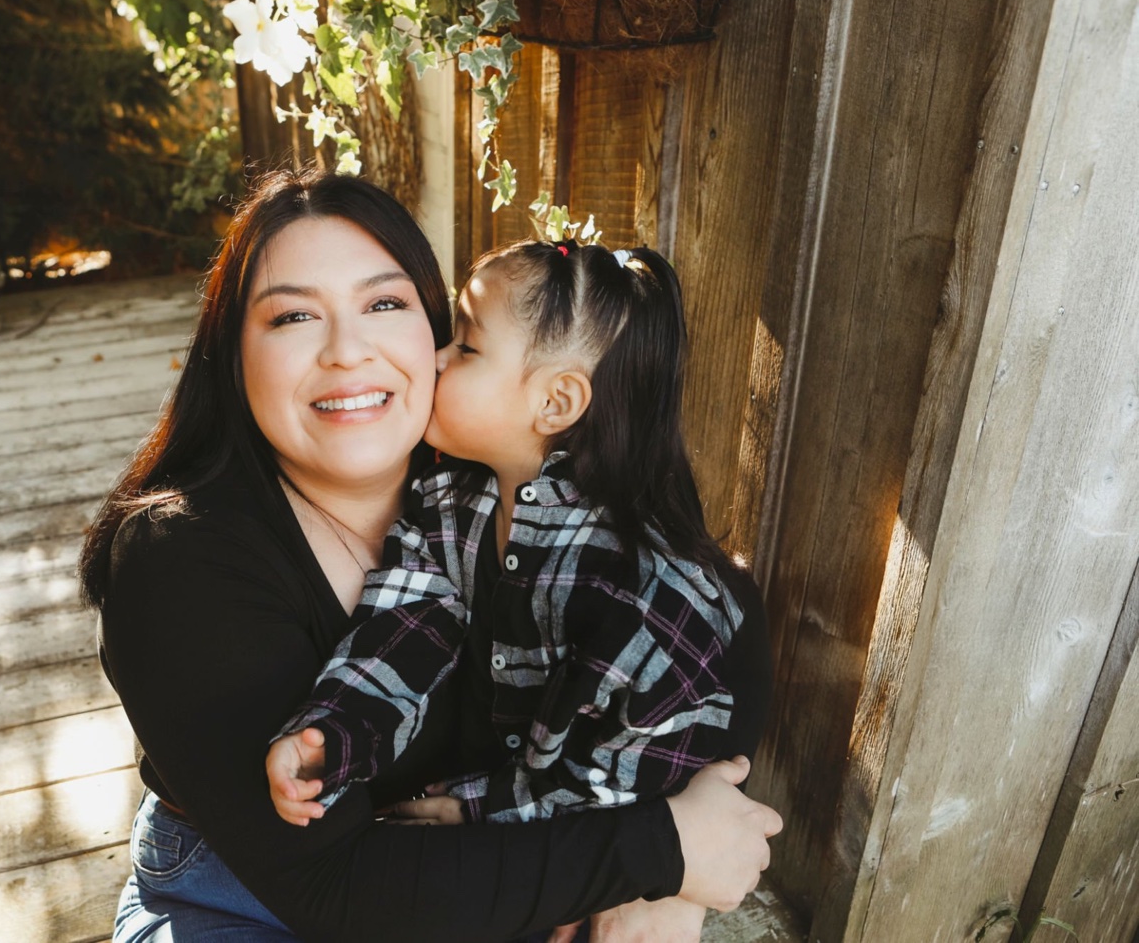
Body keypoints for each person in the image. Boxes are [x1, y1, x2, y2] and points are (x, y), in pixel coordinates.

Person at [81, 167, 782, 943]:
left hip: (487, 867)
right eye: (292, 317)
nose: (348, 352)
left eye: (384, 304)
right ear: (231, 351)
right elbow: (331, 885)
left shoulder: (481, 473)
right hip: (252, 899)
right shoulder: (178, 559)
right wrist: (661, 852)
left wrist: (662, 884)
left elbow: (717, 611)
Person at [266, 240, 773, 941]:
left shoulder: (634, 589)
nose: (434, 359)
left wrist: (482, 811)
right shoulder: (449, 504)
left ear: (556, 401)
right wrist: (335, 733)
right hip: (520, 857)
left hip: (609, 851)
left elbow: (624, 779)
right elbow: (402, 628)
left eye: (466, 348)